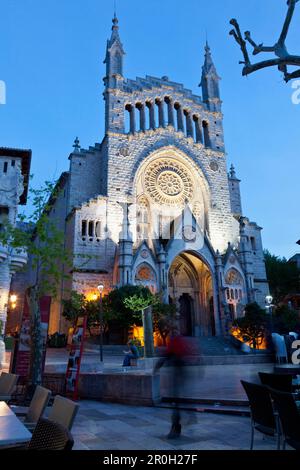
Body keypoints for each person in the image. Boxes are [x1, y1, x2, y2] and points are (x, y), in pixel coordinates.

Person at [154, 330, 192, 439]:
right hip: (180, 377)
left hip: (177, 378)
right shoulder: (180, 343)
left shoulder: (175, 343)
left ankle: (175, 428)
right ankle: (181, 422)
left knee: (175, 403)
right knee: (178, 402)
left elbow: (165, 357)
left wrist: (156, 368)